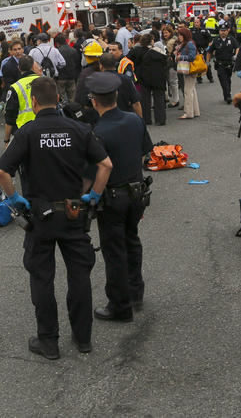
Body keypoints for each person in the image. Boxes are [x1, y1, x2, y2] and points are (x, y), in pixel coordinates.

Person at [0, 77, 113, 359]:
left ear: (34, 102)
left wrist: (13, 198)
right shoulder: (79, 128)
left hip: (40, 217)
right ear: (58, 99)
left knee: (42, 278)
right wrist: (94, 196)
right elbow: (105, 165)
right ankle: (83, 338)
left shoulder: (28, 132)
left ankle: (48, 341)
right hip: (74, 212)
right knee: (79, 276)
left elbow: (2, 172)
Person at [86, 72, 153, 322]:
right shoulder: (135, 121)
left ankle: (120, 305)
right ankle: (136, 292)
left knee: (114, 251)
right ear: (116, 96)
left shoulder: (97, 132)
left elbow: (93, 171)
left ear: (94, 101)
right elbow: (147, 151)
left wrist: (88, 197)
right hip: (137, 192)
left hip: (113, 197)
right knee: (132, 241)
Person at [3, 55, 41, 146]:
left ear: (19, 68)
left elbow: (10, 117)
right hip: (44, 127)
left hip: (22, 131)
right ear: (33, 66)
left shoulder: (15, 87)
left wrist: (6, 140)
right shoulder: (45, 81)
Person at [135, 33, 168, 126]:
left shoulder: (138, 51)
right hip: (158, 77)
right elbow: (166, 62)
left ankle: (146, 119)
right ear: (151, 41)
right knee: (159, 99)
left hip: (144, 78)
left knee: (145, 100)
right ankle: (160, 120)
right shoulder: (159, 52)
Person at [207, 23, 238, 104]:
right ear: (219, 31)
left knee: (228, 79)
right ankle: (228, 96)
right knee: (223, 79)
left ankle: (227, 94)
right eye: (221, 31)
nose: (223, 32)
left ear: (227, 31)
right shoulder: (216, 40)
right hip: (220, 64)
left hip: (229, 64)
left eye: (224, 31)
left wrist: (236, 55)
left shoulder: (231, 39)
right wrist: (207, 62)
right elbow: (209, 52)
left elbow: (237, 47)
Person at [176, 28, 200, 119]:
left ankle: (188, 112)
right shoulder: (188, 43)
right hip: (189, 69)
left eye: (180, 35)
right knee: (191, 89)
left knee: (188, 91)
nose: (179, 37)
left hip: (190, 69)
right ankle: (195, 111)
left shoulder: (189, 43)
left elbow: (192, 57)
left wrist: (180, 57)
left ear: (185, 35)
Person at [54, 32, 81, 104]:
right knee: (72, 98)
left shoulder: (57, 52)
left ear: (57, 43)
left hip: (61, 78)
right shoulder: (73, 50)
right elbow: (77, 63)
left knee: (63, 100)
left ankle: (66, 113)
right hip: (71, 77)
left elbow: (55, 64)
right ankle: (73, 112)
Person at [191, 19, 214, 84]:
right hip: (196, 50)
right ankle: (199, 78)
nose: (196, 23)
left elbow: (210, 39)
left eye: (197, 22)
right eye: (195, 22)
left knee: (207, 63)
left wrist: (208, 47)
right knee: (198, 64)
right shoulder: (191, 31)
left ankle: (210, 77)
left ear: (200, 23)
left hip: (204, 49)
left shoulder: (204, 30)